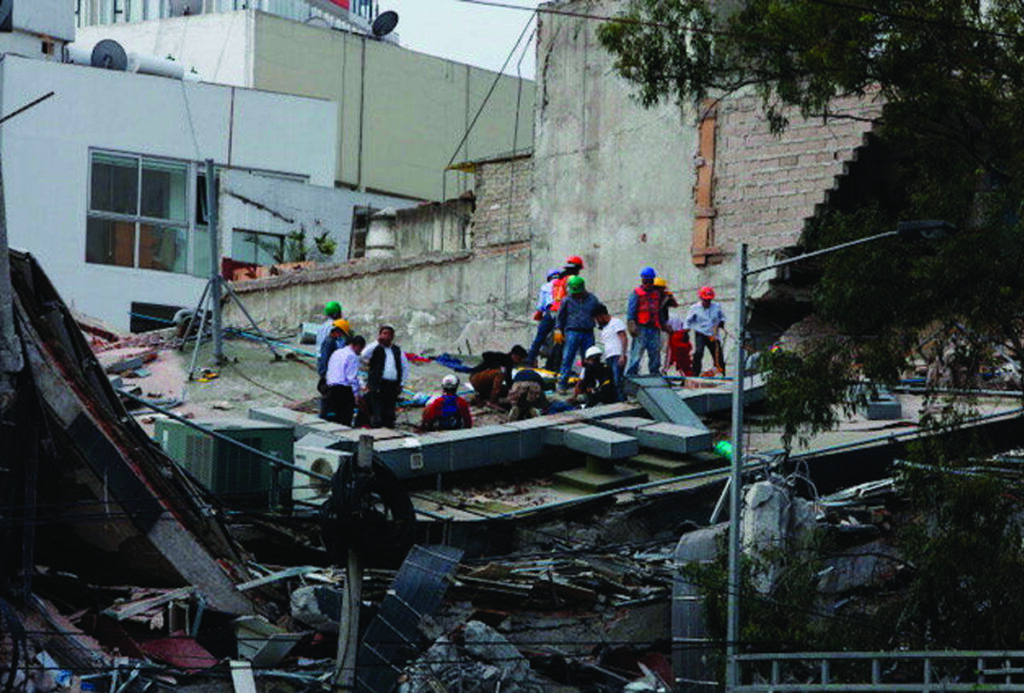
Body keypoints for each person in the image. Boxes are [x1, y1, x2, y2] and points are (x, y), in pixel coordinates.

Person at [554, 275, 601, 392]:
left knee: (590, 360)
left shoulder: (592, 300)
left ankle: (589, 384)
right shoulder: (567, 300)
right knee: (567, 358)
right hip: (572, 331)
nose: (575, 295)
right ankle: (562, 384)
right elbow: (561, 316)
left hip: (587, 332)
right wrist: (558, 329)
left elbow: (599, 312)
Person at [360, 325, 410, 428]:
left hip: (392, 386)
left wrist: (402, 383)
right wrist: (377, 342)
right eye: (384, 334)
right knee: (377, 411)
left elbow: (405, 367)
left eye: (388, 334)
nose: (386, 336)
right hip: (378, 385)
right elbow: (363, 355)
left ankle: (388, 429)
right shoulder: (376, 348)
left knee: (389, 412)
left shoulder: (397, 350)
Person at [626, 267, 665, 376]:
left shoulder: (656, 294)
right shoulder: (636, 293)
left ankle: (654, 373)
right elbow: (631, 311)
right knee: (637, 353)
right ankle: (632, 373)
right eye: (645, 280)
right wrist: (631, 325)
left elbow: (659, 311)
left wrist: (664, 325)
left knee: (655, 353)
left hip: (654, 327)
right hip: (641, 327)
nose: (648, 283)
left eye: (649, 280)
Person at [684, 285, 727, 376]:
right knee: (698, 353)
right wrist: (685, 332)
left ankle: (722, 374)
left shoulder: (717, 306)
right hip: (701, 333)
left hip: (713, 334)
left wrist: (721, 322)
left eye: (709, 300)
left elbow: (722, 317)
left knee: (718, 355)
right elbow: (688, 321)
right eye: (705, 300)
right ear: (701, 298)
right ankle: (695, 374)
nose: (707, 302)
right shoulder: (694, 308)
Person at [324, 335, 365, 425]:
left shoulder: (337, 352)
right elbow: (351, 377)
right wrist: (356, 394)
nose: (360, 352)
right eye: (361, 349)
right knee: (344, 419)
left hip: (330, 387)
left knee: (332, 419)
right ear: (357, 346)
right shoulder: (352, 356)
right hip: (343, 390)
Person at [526, 268, 562, 367]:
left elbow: (540, 306)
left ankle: (530, 361)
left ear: (549, 277)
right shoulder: (564, 285)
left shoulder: (545, 287)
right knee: (558, 340)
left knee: (540, 338)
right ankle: (556, 364)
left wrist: (540, 314)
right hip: (561, 315)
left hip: (550, 313)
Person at [317, 318, 351, 417]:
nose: (342, 336)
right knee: (327, 399)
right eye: (341, 334)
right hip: (328, 376)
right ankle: (324, 418)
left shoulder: (334, 342)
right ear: (337, 331)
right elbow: (325, 360)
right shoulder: (329, 342)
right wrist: (325, 375)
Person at [594, 303, 627, 401]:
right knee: (611, 381)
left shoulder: (616, 322)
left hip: (617, 355)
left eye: (597, 319)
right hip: (609, 357)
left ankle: (622, 400)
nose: (597, 321)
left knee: (618, 380)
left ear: (602, 315)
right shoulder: (604, 328)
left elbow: (623, 338)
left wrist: (623, 355)